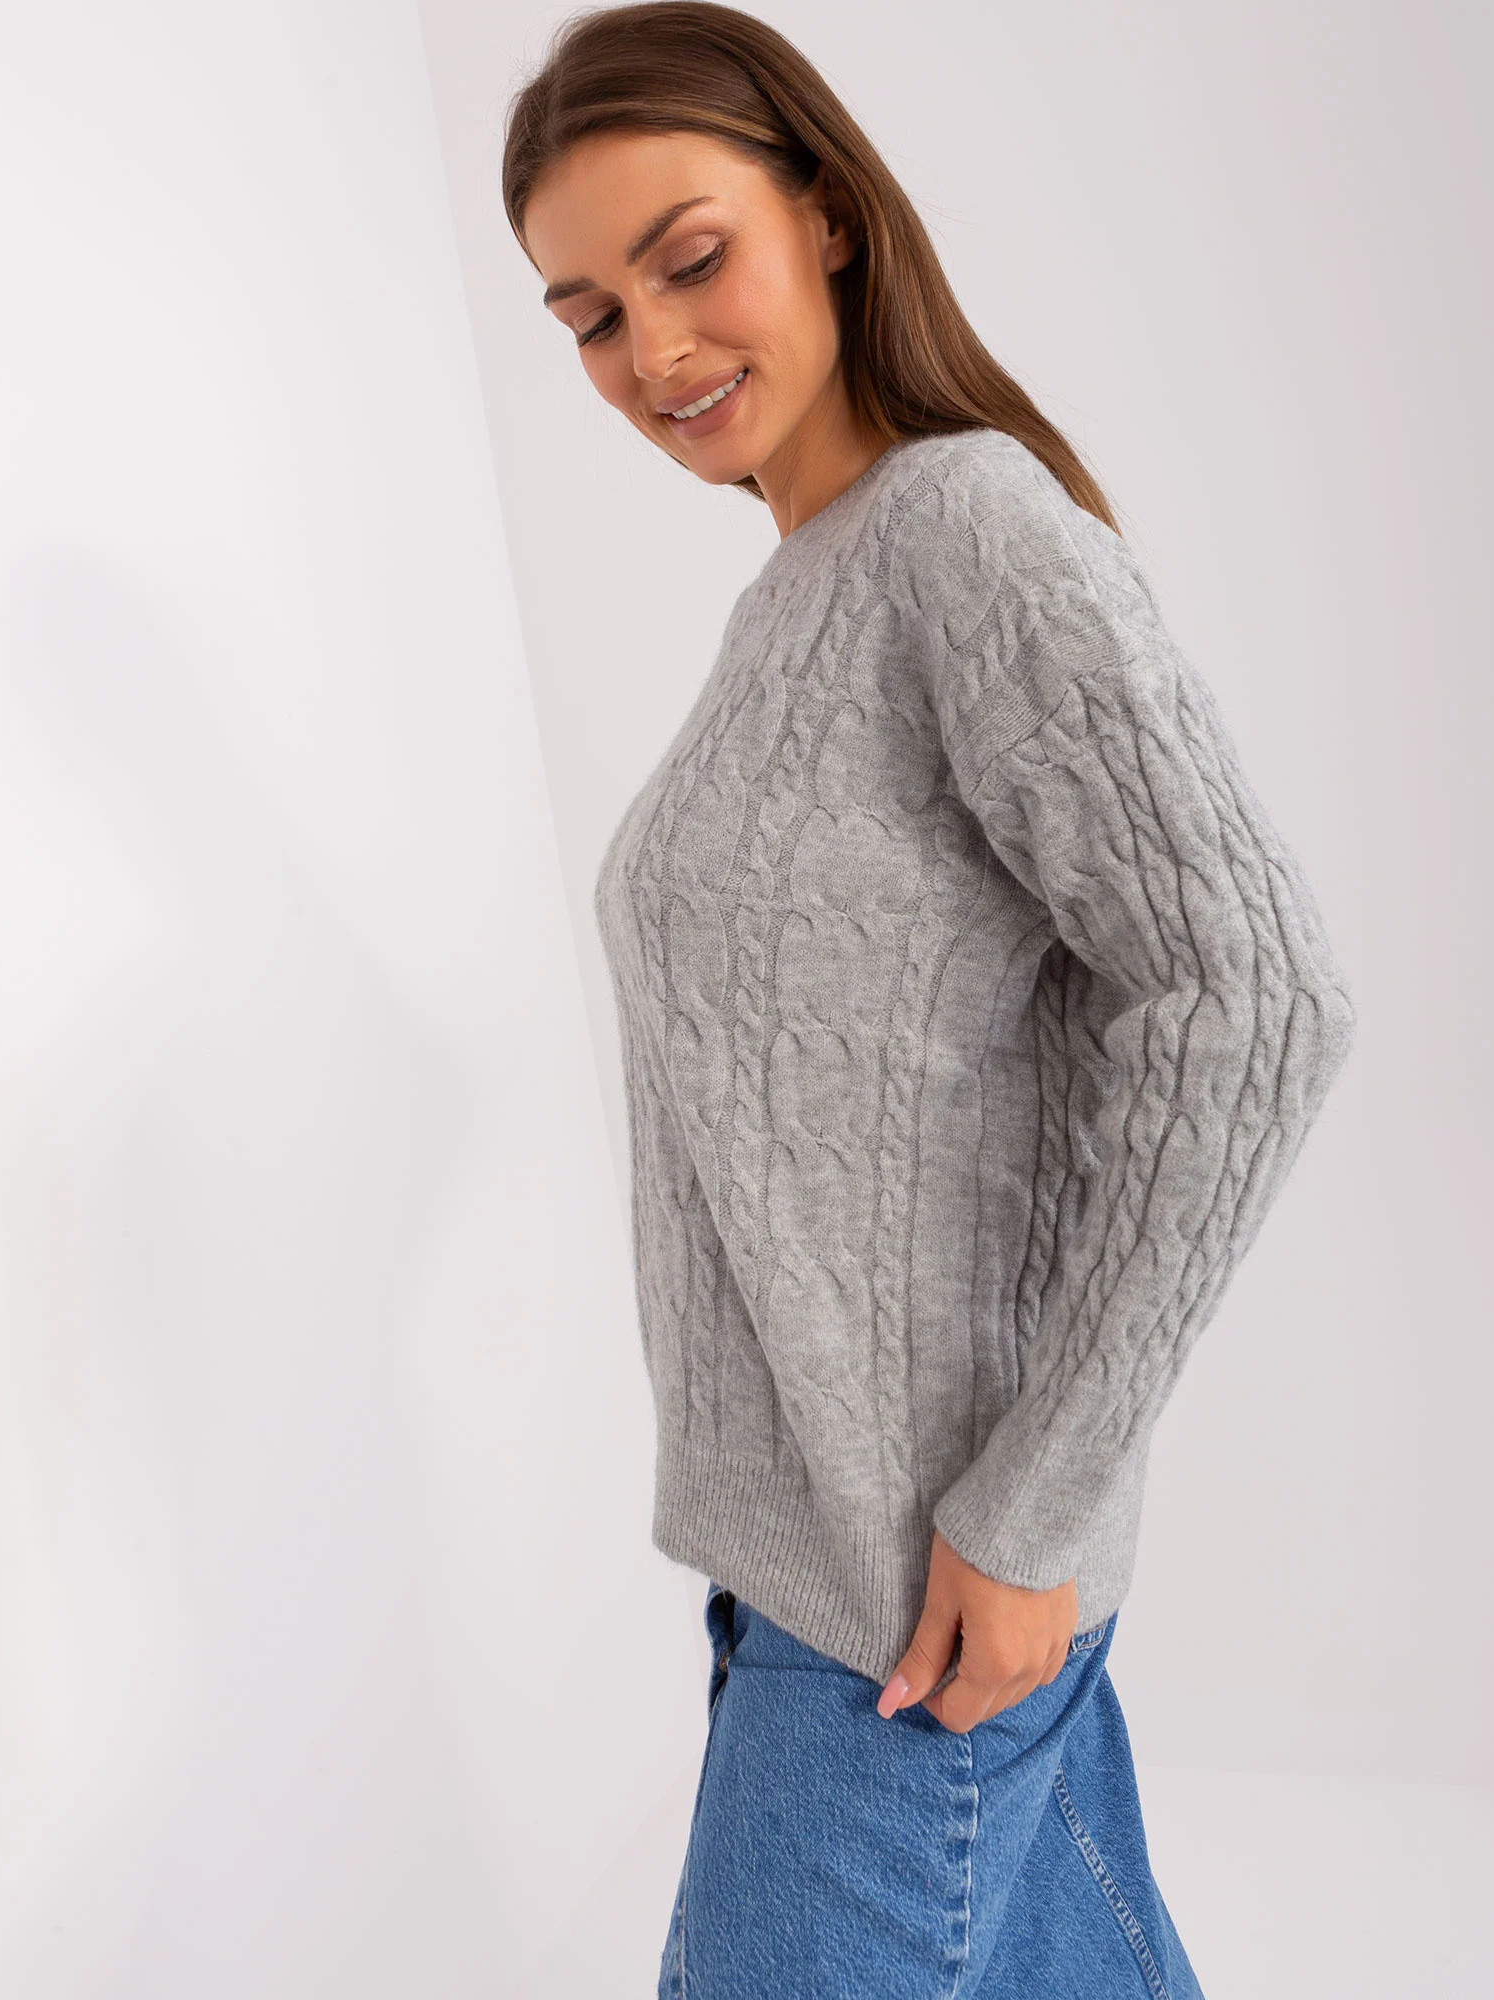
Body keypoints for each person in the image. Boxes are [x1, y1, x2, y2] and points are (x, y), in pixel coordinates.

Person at [504, 6, 1358, 1994]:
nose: (652, 351)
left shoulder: (962, 531)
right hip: (823, 1580)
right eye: (589, 316)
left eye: (689, 259)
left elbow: (1251, 993)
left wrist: (1029, 1509)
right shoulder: (801, 592)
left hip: (906, 1617)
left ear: (828, 215)